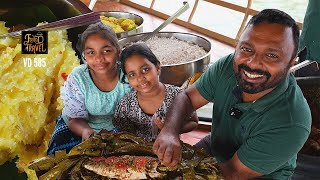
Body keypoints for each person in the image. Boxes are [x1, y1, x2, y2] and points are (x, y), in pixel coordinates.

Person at [152, 9, 312, 179]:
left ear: (292, 61)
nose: (253, 63)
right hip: (218, 145)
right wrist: (170, 131)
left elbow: (231, 174)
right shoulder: (228, 65)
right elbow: (188, 97)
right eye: (247, 49)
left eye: (271, 55)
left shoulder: (291, 122)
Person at [47, 22, 131, 155]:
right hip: (79, 126)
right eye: (91, 52)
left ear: (118, 52)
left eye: (106, 51)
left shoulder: (129, 75)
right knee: (60, 159)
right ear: (84, 56)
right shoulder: (78, 78)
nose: (99, 58)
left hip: (119, 127)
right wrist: (85, 131)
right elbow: (74, 119)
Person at [113, 43, 198, 141]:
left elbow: (193, 122)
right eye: (132, 74)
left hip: (170, 150)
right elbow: (120, 131)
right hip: (137, 154)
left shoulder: (178, 96)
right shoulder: (126, 104)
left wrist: (171, 129)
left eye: (145, 69)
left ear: (157, 68)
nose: (140, 78)